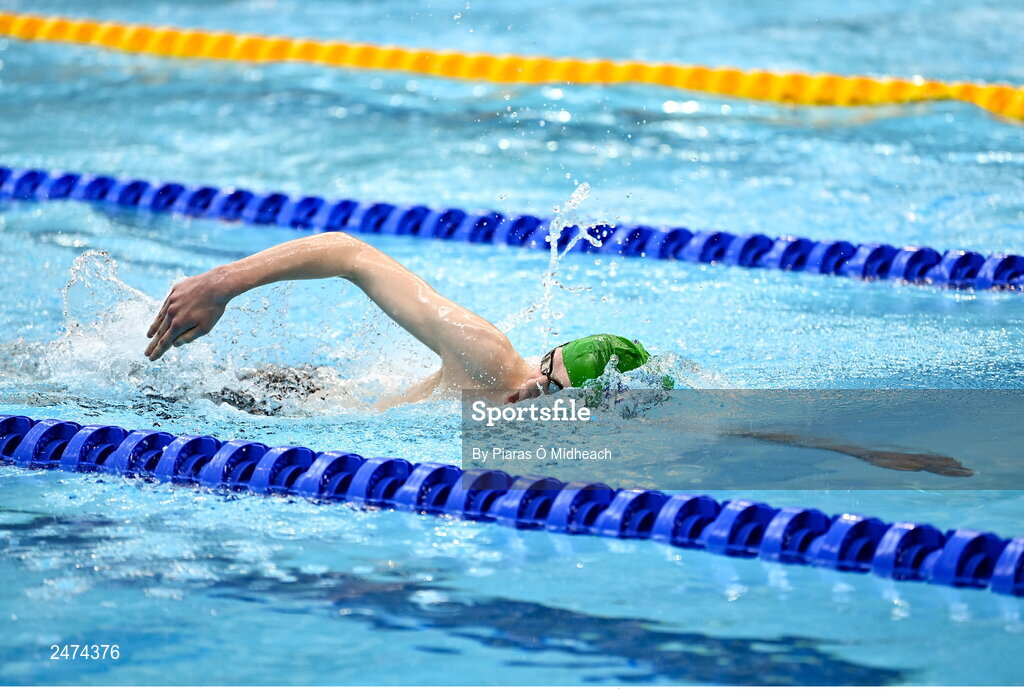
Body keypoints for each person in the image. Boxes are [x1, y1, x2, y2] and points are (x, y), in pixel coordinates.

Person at [145, 232, 972, 478]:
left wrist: (866, 449)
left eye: (553, 412)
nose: (526, 412)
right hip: (295, 399)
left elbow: (748, 427)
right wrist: (223, 282)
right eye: (535, 395)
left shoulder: (611, 417)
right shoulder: (484, 360)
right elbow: (354, 253)